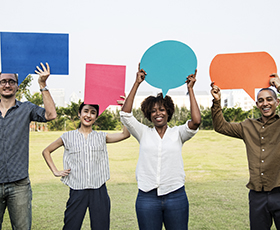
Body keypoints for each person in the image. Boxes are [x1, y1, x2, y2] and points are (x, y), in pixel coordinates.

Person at [120, 65, 201, 230]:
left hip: (176, 196)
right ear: (148, 115)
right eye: (153, 111)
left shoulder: (178, 133)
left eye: (162, 110)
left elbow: (196, 121)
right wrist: (137, 83)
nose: (158, 113)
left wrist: (190, 89)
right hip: (147, 197)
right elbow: (125, 114)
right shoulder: (143, 132)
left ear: (168, 112)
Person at [42, 100, 130, 230]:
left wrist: (124, 110)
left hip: (99, 190)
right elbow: (46, 151)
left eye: (93, 113)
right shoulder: (67, 136)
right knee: (71, 226)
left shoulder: (102, 137)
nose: (88, 115)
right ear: (79, 113)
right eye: (86, 111)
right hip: (77, 190)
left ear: (96, 117)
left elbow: (125, 134)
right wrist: (55, 171)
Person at [211, 73, 280, 230]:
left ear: (277, 102)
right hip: (257, 196)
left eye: (269, 99)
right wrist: (217, 101)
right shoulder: (247, 126)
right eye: (261, 100)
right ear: (257, 104)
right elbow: (220, 126)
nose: (265, 103)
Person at [0, 62, 57, 230]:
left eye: (11, 81)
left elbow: (51, 114)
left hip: (19, 185)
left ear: (18, 86)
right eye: (3, 81)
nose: (7, 85)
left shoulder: (26, 108)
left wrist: (42, 85)